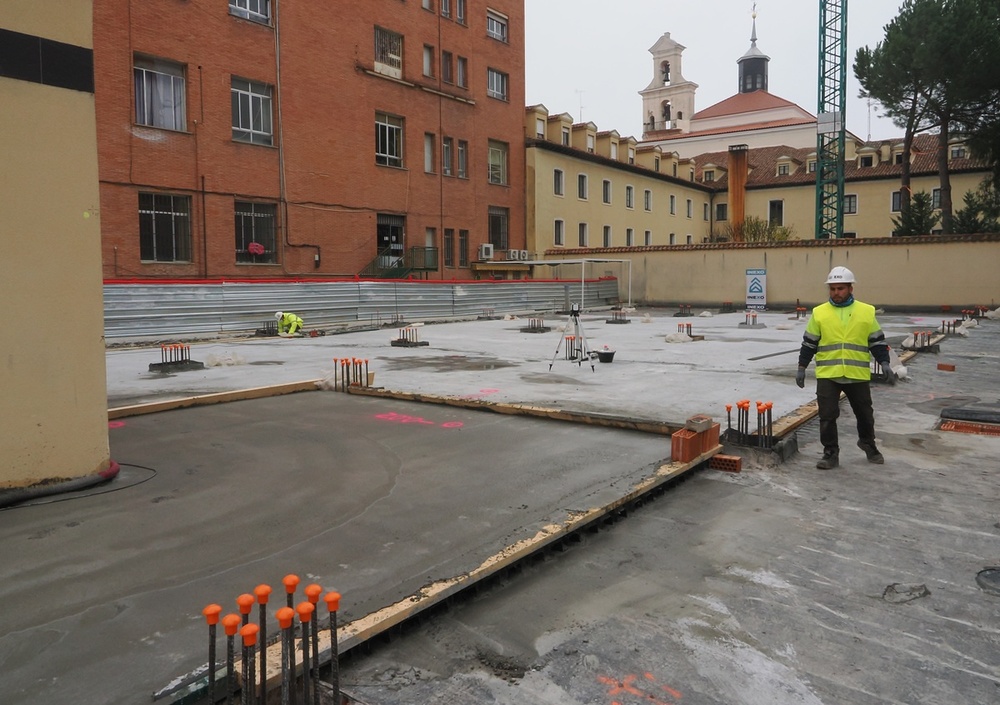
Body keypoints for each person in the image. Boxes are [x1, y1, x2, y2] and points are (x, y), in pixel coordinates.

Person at [796, 266, 894, 469]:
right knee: (827, 416)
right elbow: (809, 343)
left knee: (865, 414)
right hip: (828, 375)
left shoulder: (866, 311)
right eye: (832, 289)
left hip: (856, 374)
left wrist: (884, 362)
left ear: (850, 288)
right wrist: (801, 367)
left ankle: (867, 443)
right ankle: (830, 453)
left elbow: (876, 341)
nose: (836, 293)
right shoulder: (819, 313)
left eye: (840, 288)